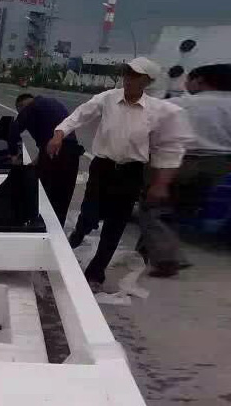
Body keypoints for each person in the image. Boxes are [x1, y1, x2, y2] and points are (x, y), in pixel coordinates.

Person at [47, 57, 193, 288]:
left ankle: (96, 274)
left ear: (147, 81)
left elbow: (169, 149)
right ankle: (77, 235)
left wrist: (160, 183)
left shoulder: (159, 111)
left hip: (131, 173)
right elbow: (80, 115)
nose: (129, 79)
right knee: (89, 214)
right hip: (102, 168)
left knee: (115, 225)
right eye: (127, 73)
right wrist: (59, 134)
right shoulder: (107, 98)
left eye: (135, 75)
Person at [139, 64, 231, 276]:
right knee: (180, 210)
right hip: (222, 166)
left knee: (153, 208)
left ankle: (167, 258)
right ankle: (150, 252)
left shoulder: (174, 105)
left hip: (176, 162)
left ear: (199, 81)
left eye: (188, 79)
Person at [7, 93, 85, 226]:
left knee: (43, 195)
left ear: (21, 107)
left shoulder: (30, 107)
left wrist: (14, 156)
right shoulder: (52, 103)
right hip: (72, 155)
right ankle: (57, 230)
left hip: (56, 156)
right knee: (63, 199)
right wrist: (37, 161)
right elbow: (48, 138)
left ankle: (39, 226)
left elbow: (13, 130)